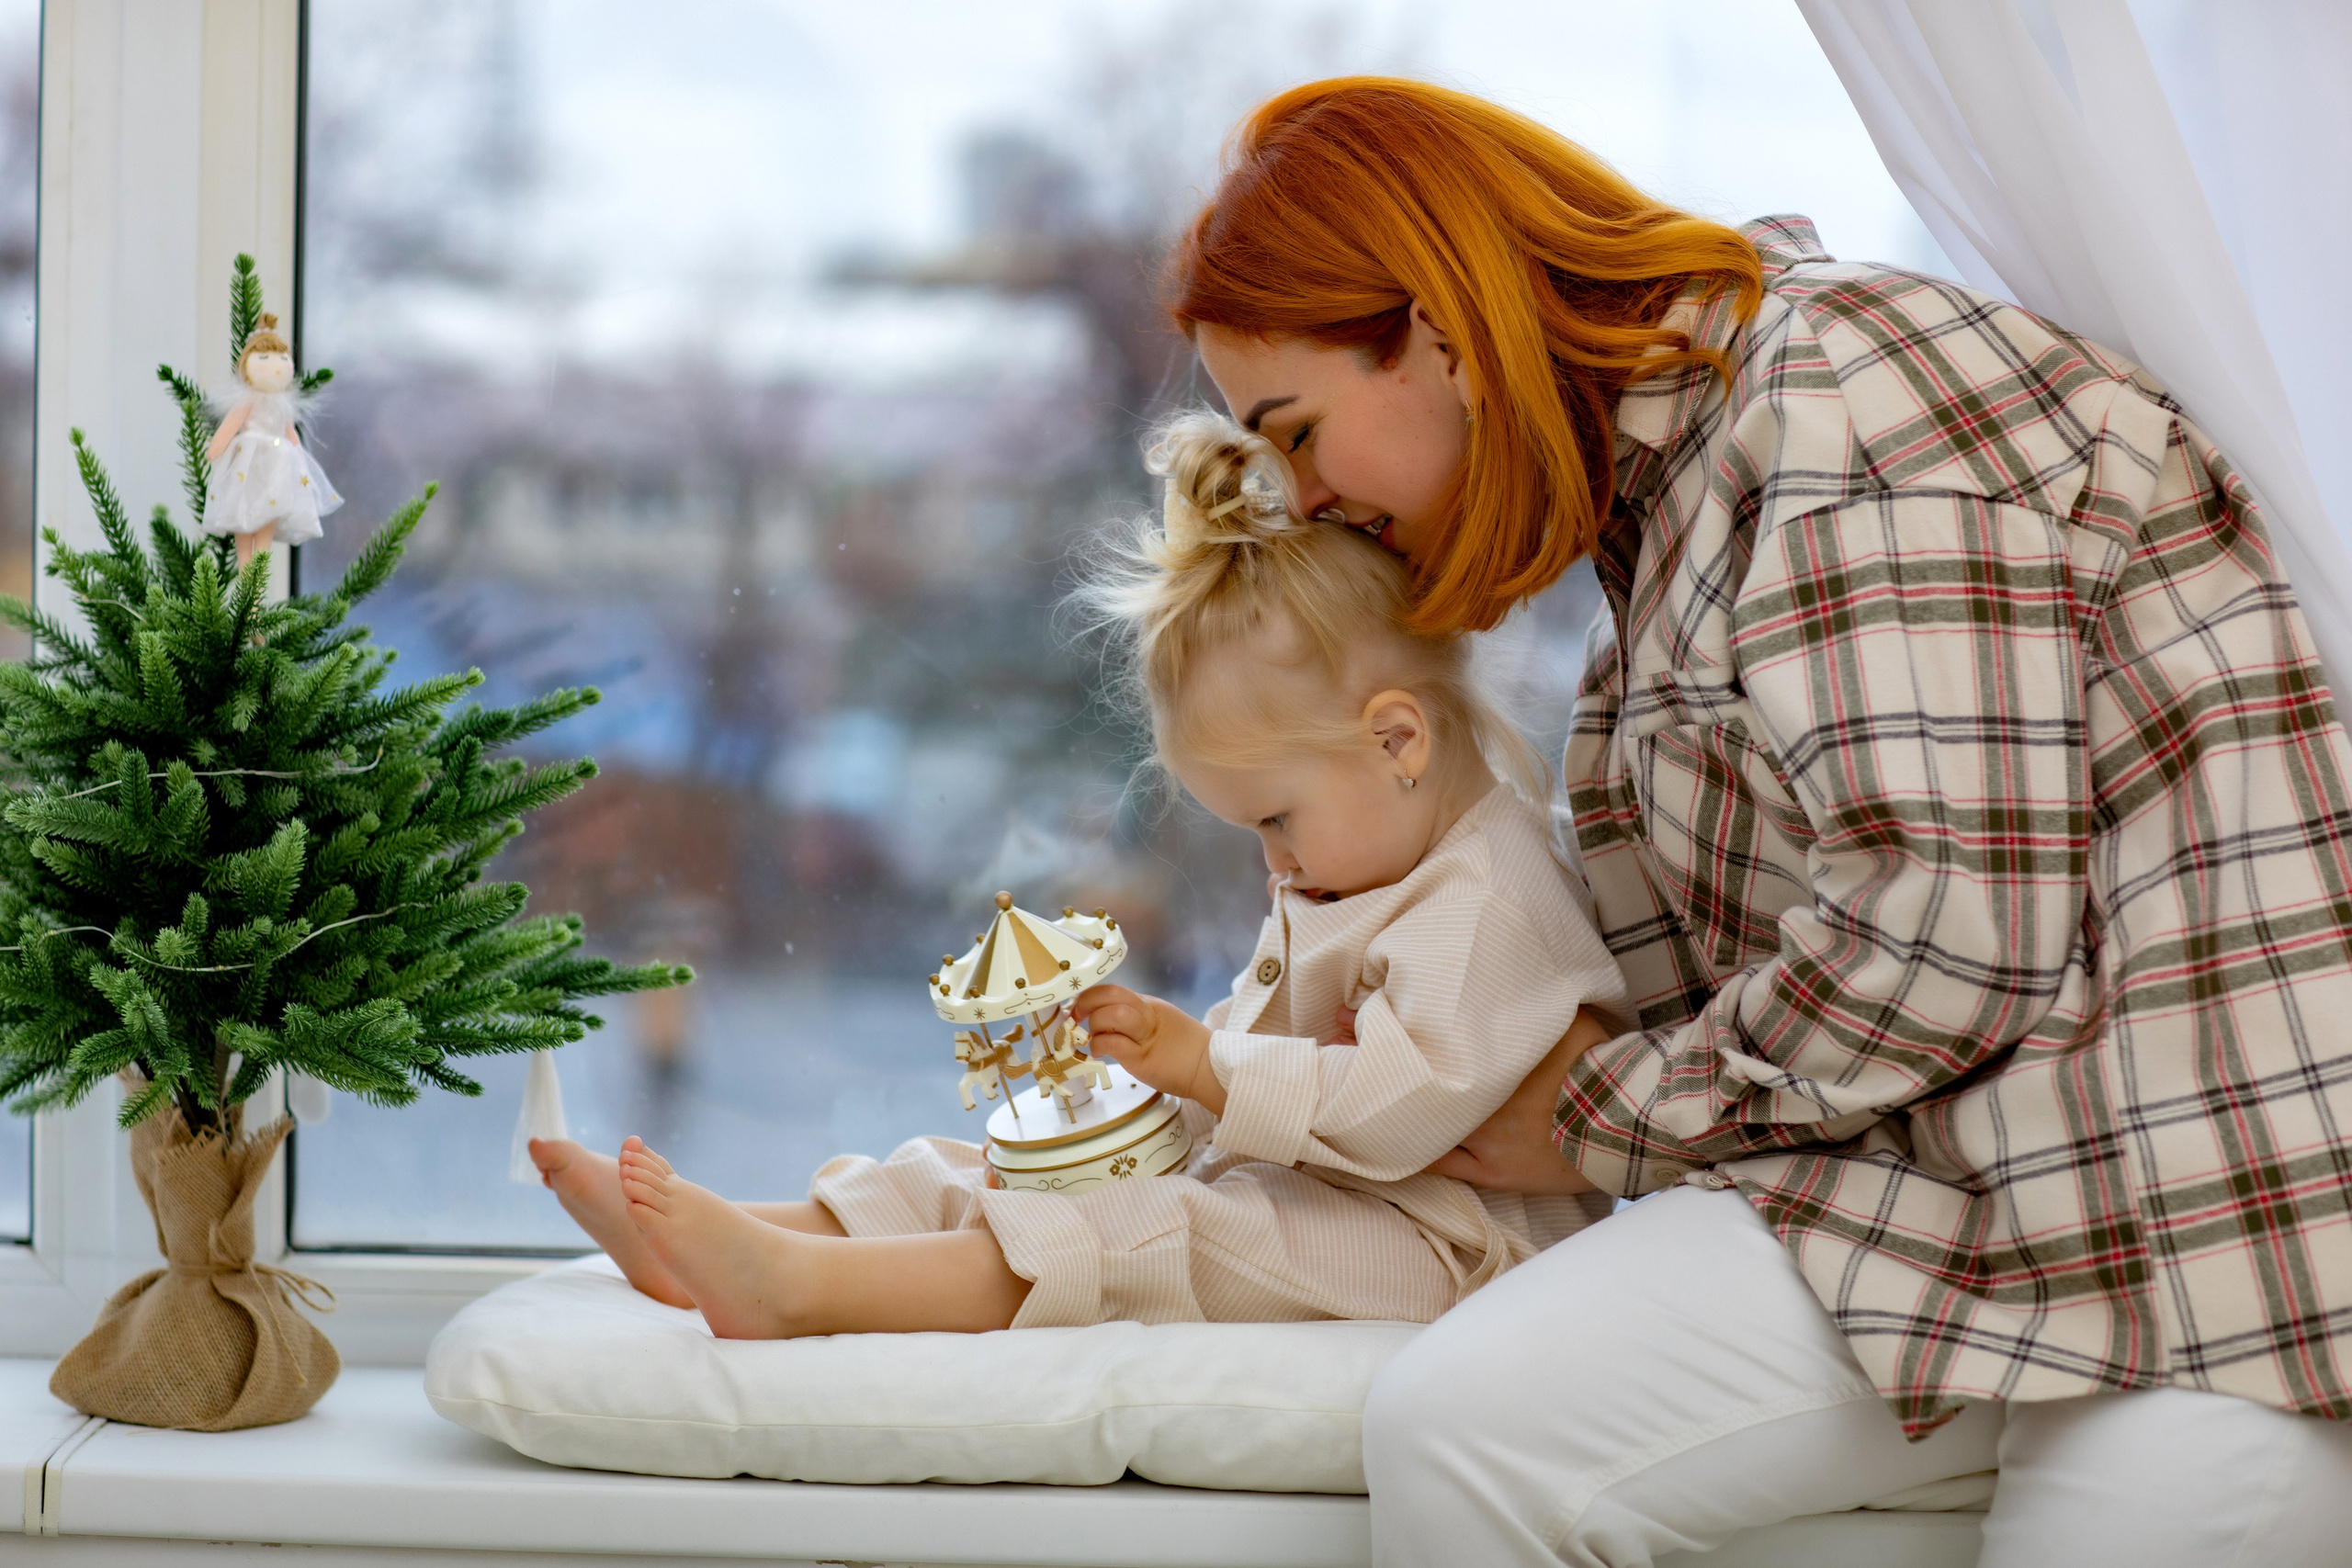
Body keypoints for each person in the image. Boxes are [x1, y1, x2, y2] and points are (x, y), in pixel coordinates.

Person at [1168, 76, 2352, 1568]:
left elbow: (1945, 929)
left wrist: (1594, 1119)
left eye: (1297, 431)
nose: (1302, 496)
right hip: (1951, 1201)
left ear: (1443, 333)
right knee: (1463, 1429)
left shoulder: (1845, 399)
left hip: (2212, 1225)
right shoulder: (1666, 523)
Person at [526, 410, 1625, 1337]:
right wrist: (1141, 1112)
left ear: (1397, 741)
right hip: (1319, 1194)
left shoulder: (1484, 902)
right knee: (1025, 1164)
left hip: (1441, 1243)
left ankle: (798, 1289)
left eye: (1277, 818)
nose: (1274, 861)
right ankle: (754, 1234)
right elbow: (1273, 1053)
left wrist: (1201, 1066)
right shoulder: (1365, 859)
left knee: (1143, 1230)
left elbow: (1397, 1109)